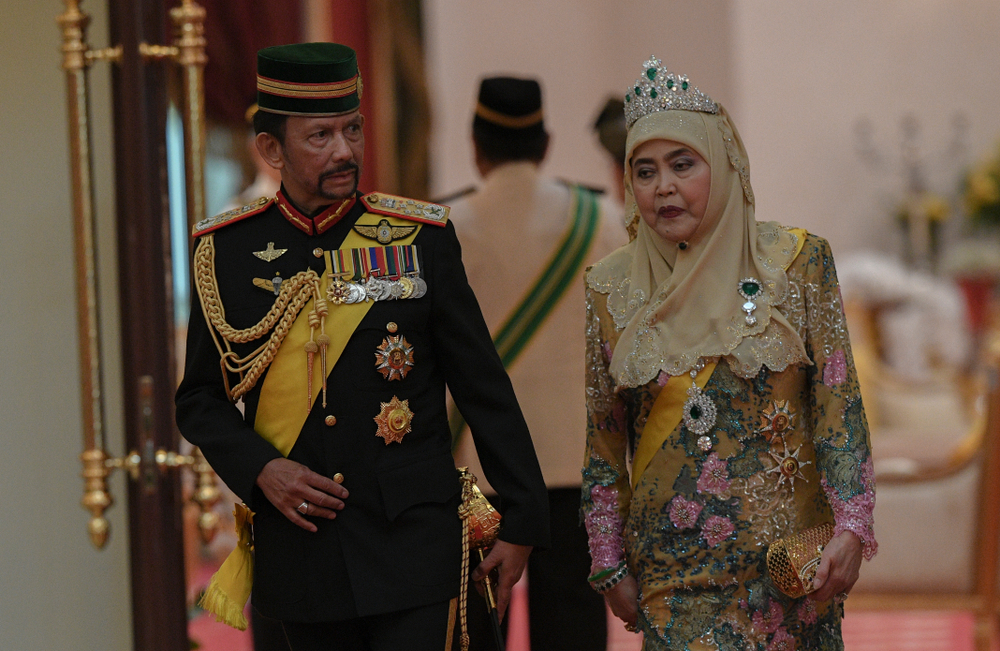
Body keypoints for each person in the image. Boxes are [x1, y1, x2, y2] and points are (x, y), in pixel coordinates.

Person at [175, 42, 549, 651]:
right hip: (301, 550)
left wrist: (523, 520)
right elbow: (199, 399)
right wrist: (261, 469)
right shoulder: (228, 253)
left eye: (352, 129)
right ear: (271, 149)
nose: (345, 151)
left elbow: (483, 385)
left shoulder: (419, 239)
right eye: (320, 136)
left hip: (413, 540)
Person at [580, 57, 877, 650]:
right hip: (674, 575)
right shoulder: (609, 287)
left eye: (682, 164)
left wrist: (852, 528)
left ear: (724, 162)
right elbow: (605, 436)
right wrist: (607, 558)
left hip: (789, 572)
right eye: (644, 170)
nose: (662, 186)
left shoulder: (797, 265)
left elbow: (838, 410)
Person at [448, 76, 624, 650]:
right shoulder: (598, 218)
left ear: (475, 143)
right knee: (572, 624)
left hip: (471, 461)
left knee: (472, 625)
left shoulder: (438, 226)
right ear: (546, 143)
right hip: (571, 459)